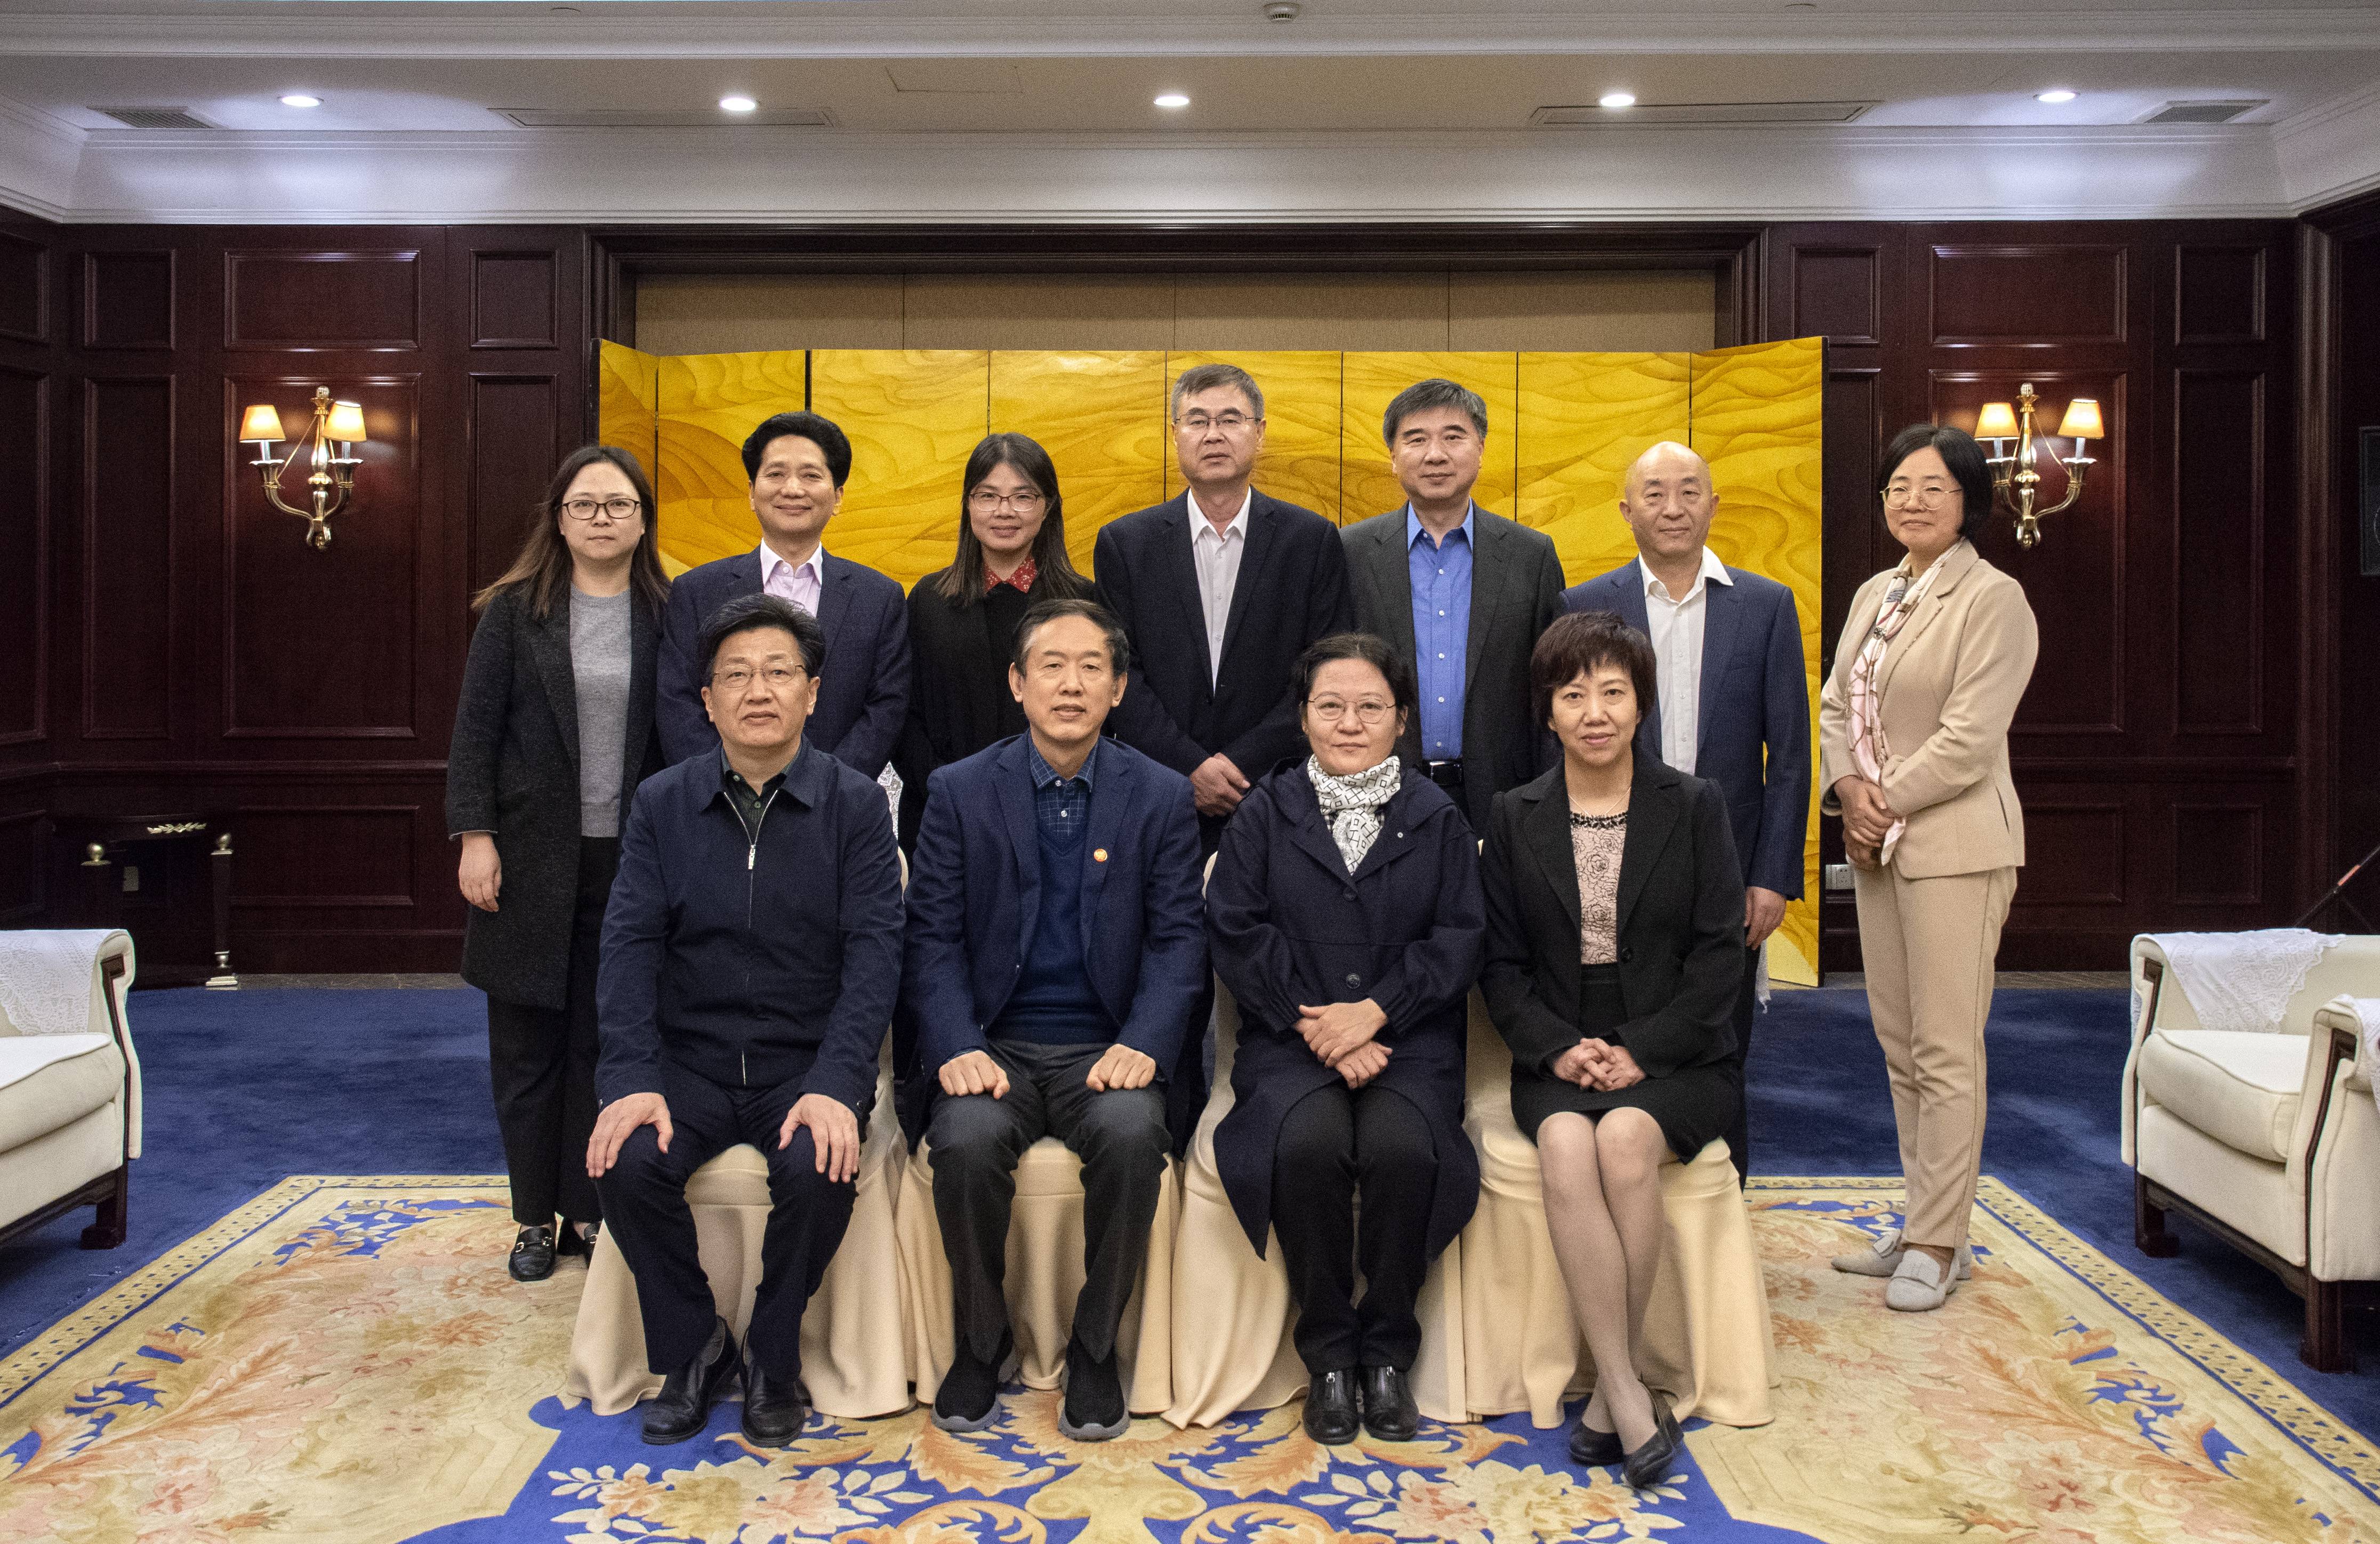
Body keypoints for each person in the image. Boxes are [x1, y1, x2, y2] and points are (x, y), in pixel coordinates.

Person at [588, 593, 904, 1448]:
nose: (757, 691)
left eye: (778, 673)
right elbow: (628, 948)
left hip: (802, 1064)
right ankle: (695, 1344)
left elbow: (876, 956)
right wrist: (632, 1078)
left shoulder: (855, 806)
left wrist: (838, 1083)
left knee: (818, 1165)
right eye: (735, 675)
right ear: (707, 699)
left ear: (813, 692)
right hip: (689, 1063)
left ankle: (772, 1349)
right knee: (624, 1159)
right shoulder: (662, 803)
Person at [901, 598, 1206, 1441]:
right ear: (1017, 683)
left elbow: (1179, 942)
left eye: (1091, 668)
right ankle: (981, 1341)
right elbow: (931, 938)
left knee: (1133, 1136)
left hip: (1105, 1048)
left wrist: (1144, 1043)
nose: (1071, 685)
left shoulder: (1161, 796)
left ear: (1118, 689)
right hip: (993, 1044)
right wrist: (956, 1044)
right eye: (1051, 666)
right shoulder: (960, 791)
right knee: (964, 1143)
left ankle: (1096, 1348)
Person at [1480, 611, 1744, 1491]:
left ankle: (1608, 1393)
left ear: (1641, 703)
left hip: (1679, 1048)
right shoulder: (1512, 815)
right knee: (1566, 1141)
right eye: (1572, 694)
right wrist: (1557, 1049)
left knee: (1626, 1139)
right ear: (1547, 711)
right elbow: (1500, 966)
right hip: (1555, 1045)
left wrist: (1641, 1048)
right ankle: (1627, 1391)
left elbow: (1719, 956)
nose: (1593, 712)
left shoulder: (1694, 805)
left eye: (1612, 692)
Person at [1206, 632, 1485, 1446]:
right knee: (1307, 1144)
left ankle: (1388, 1352)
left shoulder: (1438, 818)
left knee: (1404, 1149)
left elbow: (1460, 939)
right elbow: (1237, 931)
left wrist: (1377, 1012)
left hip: (1409, 1044)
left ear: (1402, 719)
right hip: (1290, 1040)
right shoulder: (1264, 813)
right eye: (1330, 706)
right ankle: (1330, 1353)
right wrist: (1321, 1023)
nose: (1350, 723)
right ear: (1303, 718)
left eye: (1371, 707)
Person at [1817, 424, 2037, 1314]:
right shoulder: (1876, 592)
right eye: (1898, 487)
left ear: (1968, 501)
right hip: (1880, 846)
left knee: (1946, 1050)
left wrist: (1879, 801)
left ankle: (1939, 1243)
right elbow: (1836, 703)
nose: (1912, 502)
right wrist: (1847, 790)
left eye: (1933, 488)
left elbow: (1969, 739)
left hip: (1953, 846)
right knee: (1901, 1047)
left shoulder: (1994, 600)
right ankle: (1921, 1220)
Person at [447, 444, 669, 1282]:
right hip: (529, 859)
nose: (602, 518)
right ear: (560, 519)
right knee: (527, 1049)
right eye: (585, 505)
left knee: (604, 1043)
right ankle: (534, 1218)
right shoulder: (514, 612)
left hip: (633, 861)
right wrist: (475, 836)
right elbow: (475, 732)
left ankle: (591, 1208)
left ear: (643, 521)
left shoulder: (668, 612)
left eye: (618, 505)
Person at [1561, 440, 1810, 1184]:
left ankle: (1724, 1205)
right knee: (1625, 1031)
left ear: (1713, 504)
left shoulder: (1766, 605)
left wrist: (1772, 876)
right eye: (1655, 493)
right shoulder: (1584, 605)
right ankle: (1634, 1182)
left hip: (1728, 867)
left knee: (1722, 1043)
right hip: (1616, 860)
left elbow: (1789, 756)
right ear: (1626, 510)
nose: (1673, 508)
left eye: (1689, 491)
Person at [1093, 362, 1354, 851]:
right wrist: (1188, 767)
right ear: (1175, 435)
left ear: (1260, 432)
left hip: (1278, 791)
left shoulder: (1310, 540)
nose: (1213, 434)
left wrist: (1241, 764)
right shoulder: (1126, 544)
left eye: (1231, 419)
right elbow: (1118, 672)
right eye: (1197, 421)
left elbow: (1327, 671)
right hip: (1155, 791)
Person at [1341, 379, 1564, 834]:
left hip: (1504, 798)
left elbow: (1554, 685)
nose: (1435, 455)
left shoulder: (1532, 555)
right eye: (1416, 439)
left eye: (1453, 437)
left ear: (1480, 449)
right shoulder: (1350, 552)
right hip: (1377, 792)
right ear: (1393, 456)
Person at [656, 410, 909, 777]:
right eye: (775, 474)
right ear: (751, 493)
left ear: (838, 497)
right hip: (721, 800)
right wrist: (731, 789)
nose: (792, 489)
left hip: (836, 801)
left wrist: (829, 790)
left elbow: (886, 708)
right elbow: (678, 703)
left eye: (811, 476)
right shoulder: (696, 591)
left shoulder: (879, 598)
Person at [892, 432, 1093, 850]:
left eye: (1023, 497)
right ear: (968, 505)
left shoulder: (1083, 603)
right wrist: (951, 791)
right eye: (987, 496)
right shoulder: (927, 600)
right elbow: (904, 715)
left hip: (1054, 814)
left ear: (1048, 506)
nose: (1004, 512)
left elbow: (1098, 718)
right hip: (942, 814)